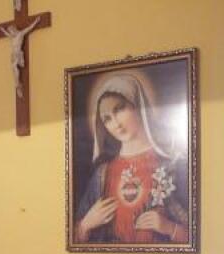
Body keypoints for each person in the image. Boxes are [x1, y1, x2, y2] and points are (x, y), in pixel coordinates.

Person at [75, 73, 189, 244]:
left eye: (119, 109)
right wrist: (85, 225)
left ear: (138, 105)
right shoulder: (103, 173)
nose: (116, 124)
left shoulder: (172, 163)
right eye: (107, 119)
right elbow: (72, 237)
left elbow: (202, 233)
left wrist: (170, 228)